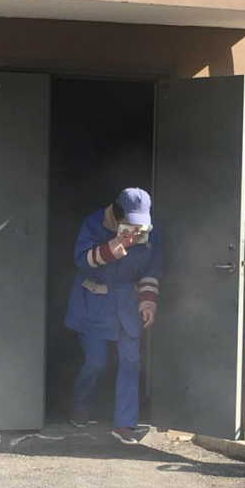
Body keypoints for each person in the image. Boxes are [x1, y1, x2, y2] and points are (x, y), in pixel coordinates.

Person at [65, 187, 161, 445]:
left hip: (128, 305)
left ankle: (125, 425)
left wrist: (148, 303)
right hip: (94, 302)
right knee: (96, 362)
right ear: (118, 215)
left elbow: (151, 269)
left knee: (130, 360)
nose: (137, 229)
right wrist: (117, 246)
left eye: (141, 223)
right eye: (131, 222)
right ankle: (81, 407)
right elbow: (81, 260)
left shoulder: (150, 232)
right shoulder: (94, 222)